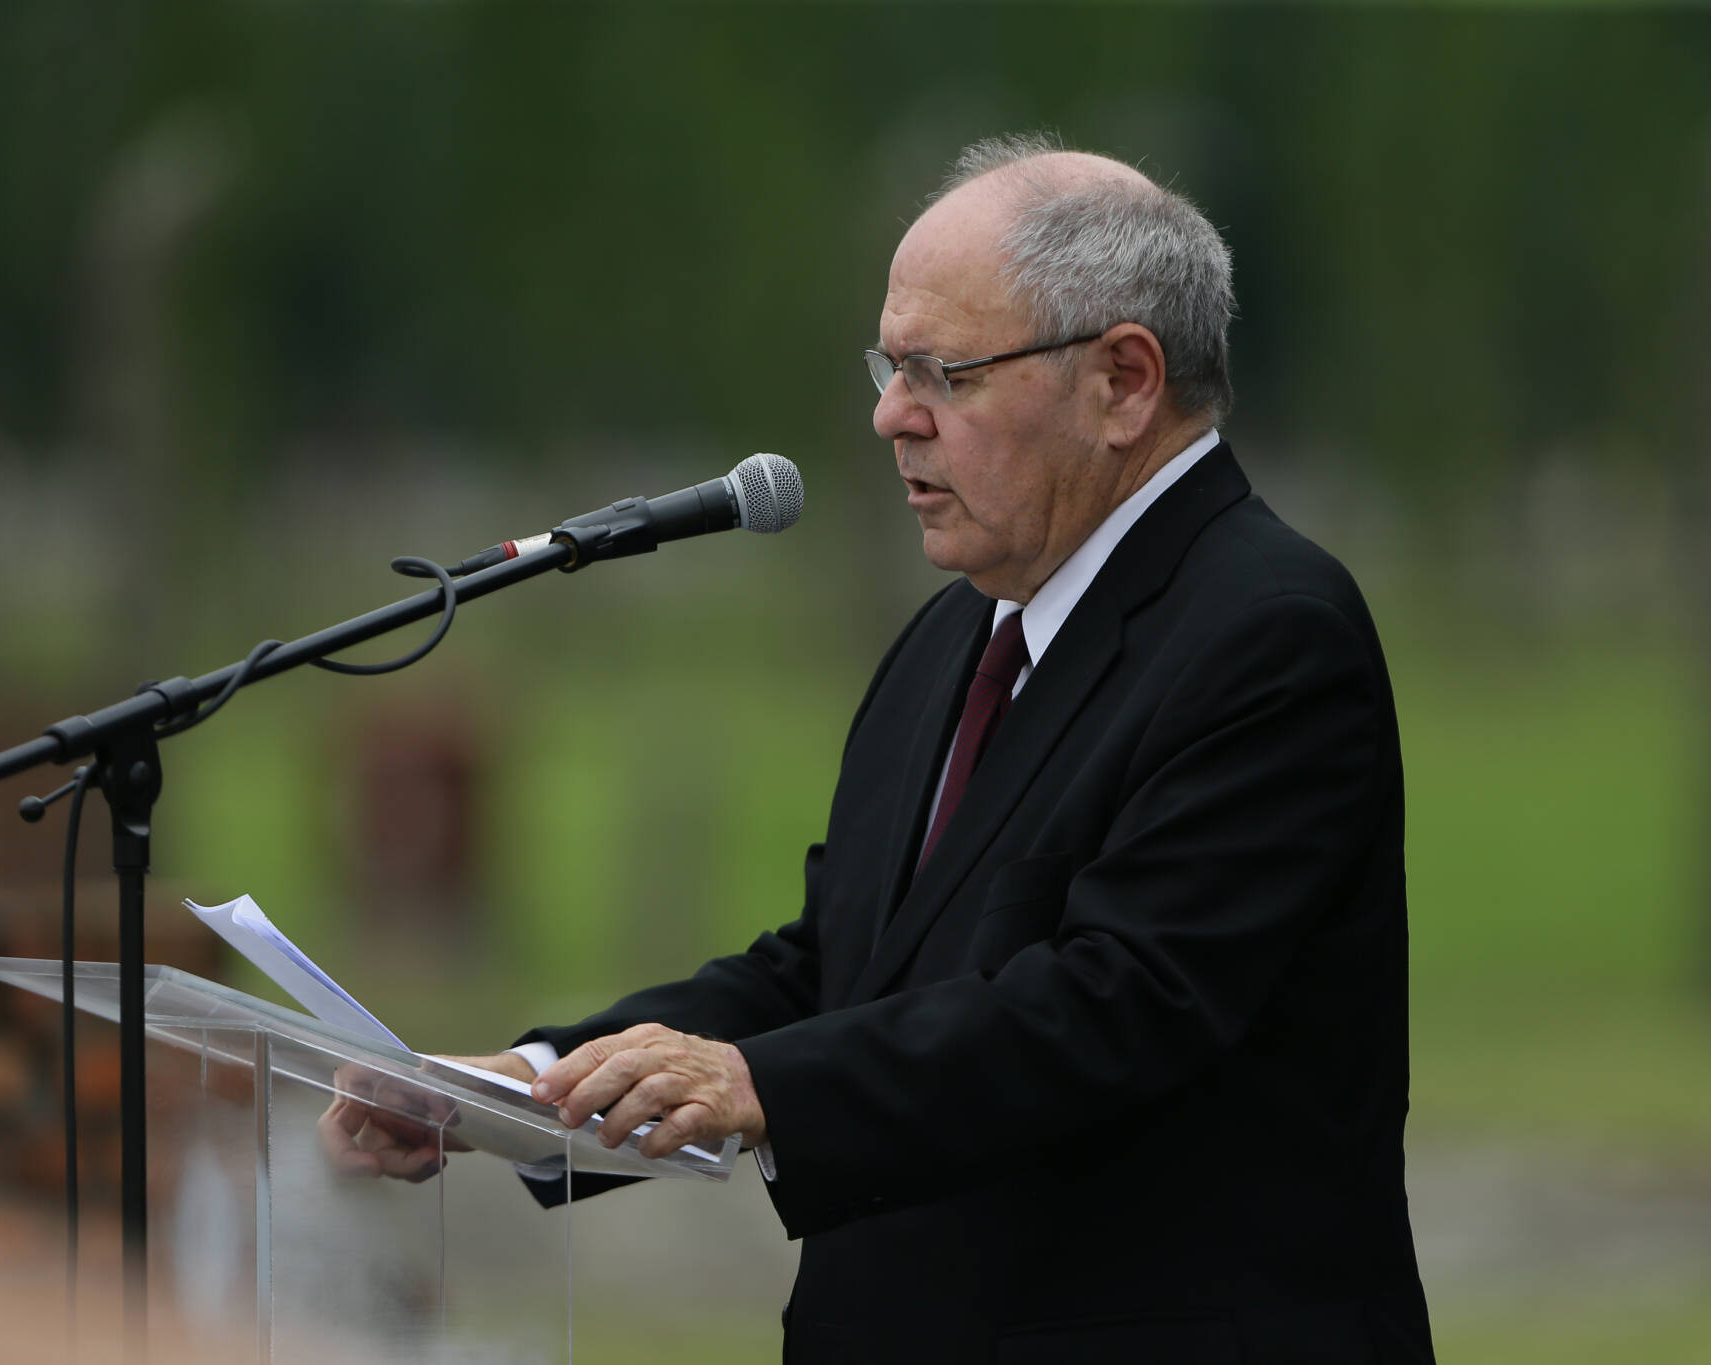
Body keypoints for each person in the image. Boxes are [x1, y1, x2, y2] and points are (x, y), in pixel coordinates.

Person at [323, 132, 1434, 1363]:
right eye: (886, 365)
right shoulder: (957, 633)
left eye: (942, 373)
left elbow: (1117, 1004)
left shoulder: (1267, 630)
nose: (886, 415)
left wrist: (763, 1089)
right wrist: (523, 1089)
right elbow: (833, 966)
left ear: (1123, 381)